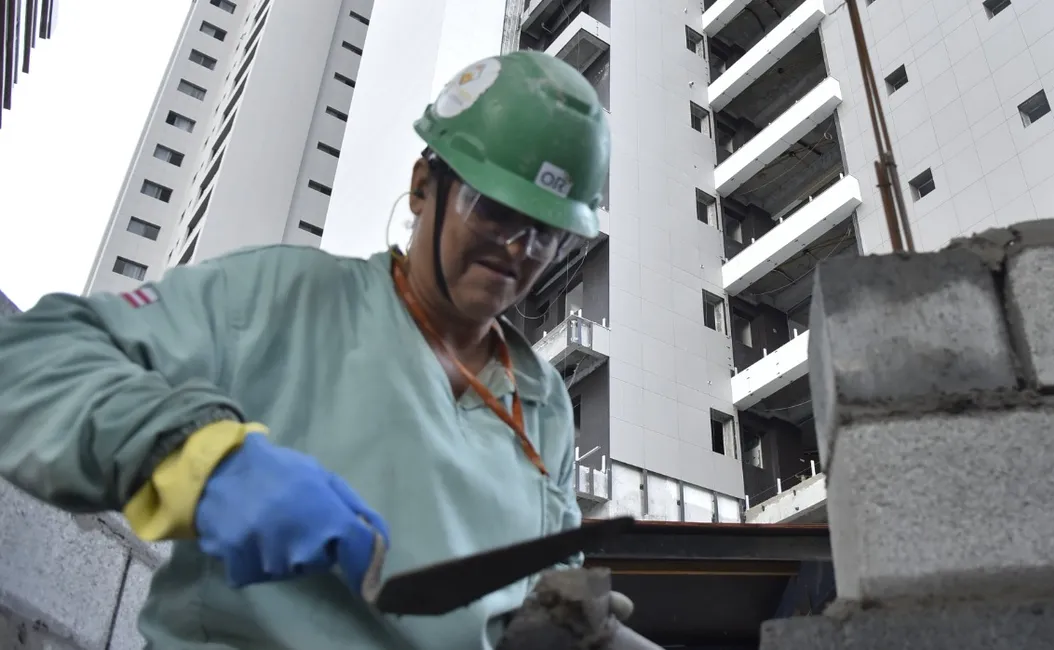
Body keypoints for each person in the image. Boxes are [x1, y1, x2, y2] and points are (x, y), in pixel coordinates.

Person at [0, 51, 616, 649]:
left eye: (546, 234)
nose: (517, 250)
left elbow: (526, 595)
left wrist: (561, 625)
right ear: (424, 187)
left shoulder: (546, 406)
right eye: (491, 211)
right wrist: (202, 459)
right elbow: (33, 356)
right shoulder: (284, 299)